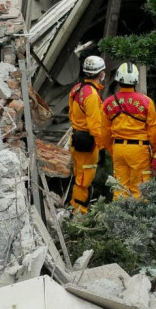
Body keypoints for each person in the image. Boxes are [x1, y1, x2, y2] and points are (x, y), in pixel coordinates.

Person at [102, 62, 156, 200]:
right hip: (139, 151)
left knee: (120, 190)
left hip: (118, 149)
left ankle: (118, 219)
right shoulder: (146, 102)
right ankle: (139, 220)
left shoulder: (108, 103)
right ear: (136, 80)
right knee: (139, 190)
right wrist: (155, 154)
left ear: (118, 79)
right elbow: (153, 132)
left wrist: (113, 149)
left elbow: (104, 133)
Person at [68, 55, 108, 214]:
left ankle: (75, 207)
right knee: (84, 180)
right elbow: (95, 126)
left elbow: (71, 113)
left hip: (77, 138)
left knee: (80, 176)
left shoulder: (77, 88)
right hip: (88, 142)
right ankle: (79, 213)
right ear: (101, 74)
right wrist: (102, 147)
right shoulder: (91, 95)